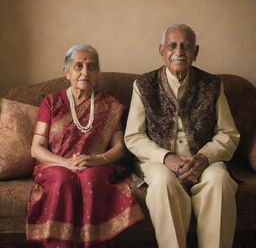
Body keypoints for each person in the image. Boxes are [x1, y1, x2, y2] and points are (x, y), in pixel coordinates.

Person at [124, 24, 240, 248]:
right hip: (159, 162)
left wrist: (203, 158)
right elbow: (134, 136)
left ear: (195, 53)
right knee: (163, 183)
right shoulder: (143, 85)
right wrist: (166, 157)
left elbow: (228, 133)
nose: (179, 51)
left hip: (203, 159)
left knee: (220, 181)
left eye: (186, 46)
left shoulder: (212, 85)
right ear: (162, 51)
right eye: (172, 45)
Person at [26, 44, 144, 248]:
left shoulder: (111, 105)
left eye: (91, 66)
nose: (85, 72)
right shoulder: (51, 102)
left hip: (96, 165)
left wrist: (95, 160)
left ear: (98, 73)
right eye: (78, 66)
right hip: (56, 165)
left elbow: (120, 148)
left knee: (92, 177)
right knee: (62, 178)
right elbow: (36, 148)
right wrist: (66, 163)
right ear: (67, 72)